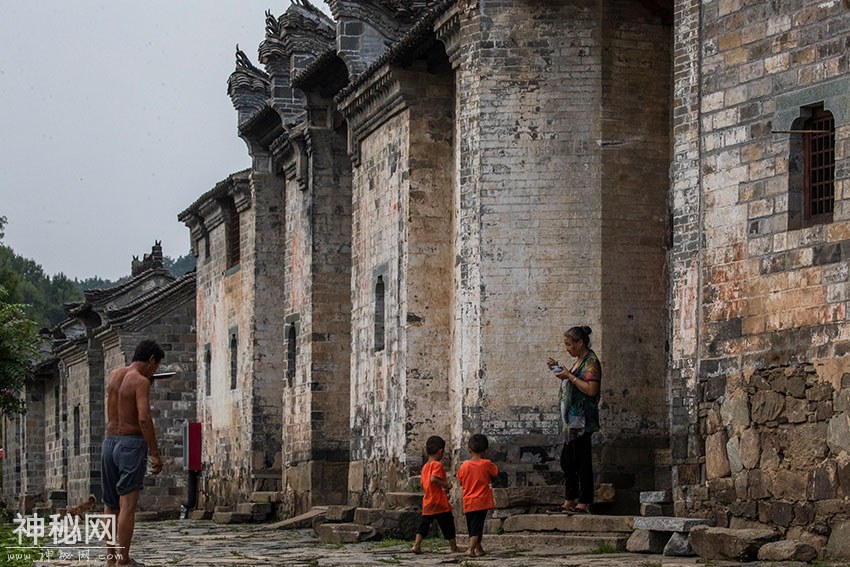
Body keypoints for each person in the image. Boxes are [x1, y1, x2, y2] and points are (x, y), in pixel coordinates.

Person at [102, 340, 165, 566]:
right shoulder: (140, 382)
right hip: (130, 444)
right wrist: (155, 453)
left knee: (110, 505)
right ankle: (124, 559)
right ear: (151, 360)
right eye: (155, 367)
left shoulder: (114, 374)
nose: (155, 371)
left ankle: (111, 557)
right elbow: (143, 418)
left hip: (109, 443)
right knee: (127, 505)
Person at [547, 325, 601, 514]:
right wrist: (561, 372)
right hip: (572, 422)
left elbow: (591, 389)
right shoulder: (580, 360)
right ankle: (569, 500)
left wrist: (569, 376)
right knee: (568, 461)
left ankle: (584, 502)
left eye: (570, 344)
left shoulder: (591, 362)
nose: (567, 348)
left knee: (581, 461)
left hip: (582, 421)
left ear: (580, 343)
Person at [410, 436, 460, 554]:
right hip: (439, 501)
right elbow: (433, 479)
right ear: (440, 451)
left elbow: (425, 483)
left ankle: (416, 545)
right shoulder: (437, 465)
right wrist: (446, 485)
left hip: (428, 500)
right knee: (448, 523)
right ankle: (454, 547)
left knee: (424, 524)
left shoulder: (425, 467)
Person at [455, 433, 498, 558]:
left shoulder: (464, 466)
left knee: (472, 526)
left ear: (469, 450)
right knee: (477, 527)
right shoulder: (486, 463)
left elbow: (460, 481)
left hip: (468, 500)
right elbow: (495, 472)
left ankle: (479, 549)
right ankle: (471, 549)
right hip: (481, 500)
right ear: (485, 450)